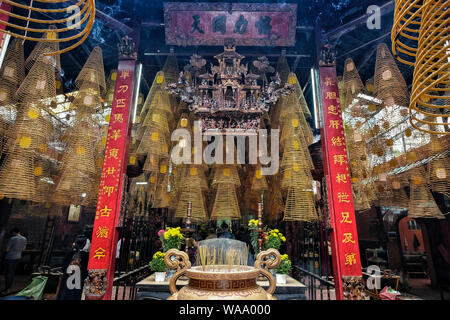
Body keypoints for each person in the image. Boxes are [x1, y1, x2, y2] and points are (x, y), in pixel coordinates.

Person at [1, 228, 27, 295]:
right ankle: (8, 288)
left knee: (8, 273)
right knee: (12, 273)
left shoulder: (12, 239)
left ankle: (7, 289)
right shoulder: (24, 239)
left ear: (14, 232)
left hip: (10, 258)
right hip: (18, 257)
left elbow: (7, 249)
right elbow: (24, 249)